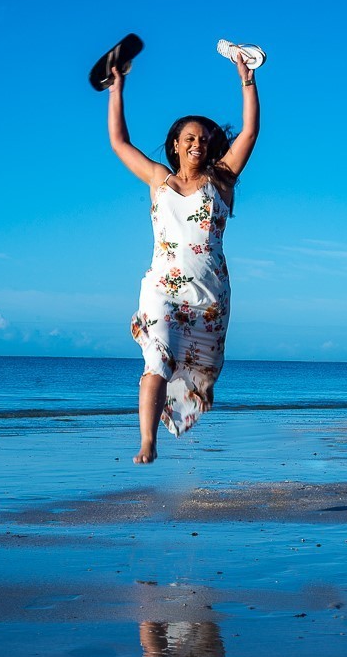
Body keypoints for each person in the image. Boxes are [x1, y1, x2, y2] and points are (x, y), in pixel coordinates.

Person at [107, 49, 260, 464]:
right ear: (175, 145)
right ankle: (146, 442)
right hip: (161, 289)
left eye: (203, 139)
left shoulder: (221, 181)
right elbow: (119, 142)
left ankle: (174, 407)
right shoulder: (159, 179)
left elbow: (248, 133)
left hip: (208, 298)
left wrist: (247, 78)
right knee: (155, 358)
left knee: (200, 383)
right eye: (189, 138)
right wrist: (117, 86)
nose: (197, 143)